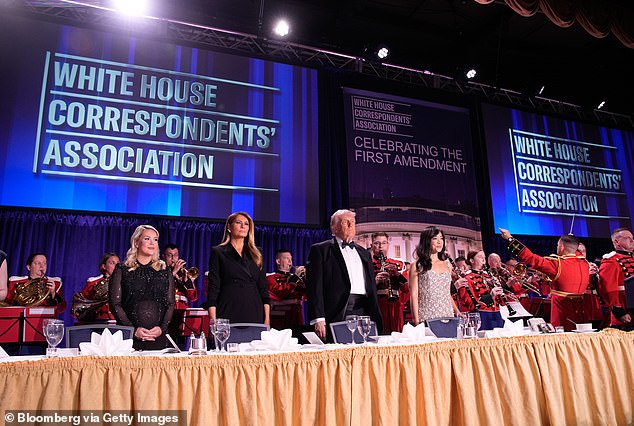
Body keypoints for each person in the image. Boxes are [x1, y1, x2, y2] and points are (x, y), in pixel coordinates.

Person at [305, 209, 383, 341]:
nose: (350, 225)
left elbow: (370, 286)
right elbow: (314, 287)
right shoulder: (321, 250)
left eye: (353, 222)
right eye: (345, 222)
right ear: (333, 228)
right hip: (337, 310)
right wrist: (318, 318)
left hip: (364, 311)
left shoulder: (364, 253)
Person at [500, 229, 590, 331]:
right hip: (582, 318)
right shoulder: (584, 263)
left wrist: (510, 239)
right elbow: (574, 250)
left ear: (561, 247)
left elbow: (531, 258)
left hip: (563, 319)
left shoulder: (557, 264)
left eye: (557, 245)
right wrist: (571, 240)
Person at [109, 225, 175, 350]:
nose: (152, 243)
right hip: (129, 340)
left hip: (157, 339)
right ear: (136, 242)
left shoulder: (164, 270)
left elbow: (170, 303)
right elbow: (115, 304)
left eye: (155, 240)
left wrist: (162, 329)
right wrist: (132, 330)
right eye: (147, 239)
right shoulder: (122, 270)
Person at [207, 212, 271, 324]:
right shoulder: (218, 252)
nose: (243, 226)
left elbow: (263, 288)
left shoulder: (257, 253)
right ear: (229, 226)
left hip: (254, 310)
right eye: (238, 222)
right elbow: (214, 287)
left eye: (246, 224)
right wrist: (213, 319)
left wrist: (267, 319)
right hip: (228, 309)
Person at [408, 226, 459, 326]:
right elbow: (414, 295)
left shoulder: (448, 265)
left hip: (447, 314)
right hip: (427, 316)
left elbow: (446, 293)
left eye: (441, 238)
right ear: (427, 241)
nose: (439, 242)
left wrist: (457, 311)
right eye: (435, 238)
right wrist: (416, 321)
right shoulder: (417, 265)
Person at [455, 250, 505, 330]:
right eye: (480, 257)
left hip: (496, 315)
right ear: (472, 260)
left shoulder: (489, 276)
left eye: (484, 257)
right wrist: (490, 295)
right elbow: (471, 305)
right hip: (481, 316)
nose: (483, 260)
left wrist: (501, 293)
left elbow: (501, 303)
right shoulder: (467, 278)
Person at [371, 232, 408, 333]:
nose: (380, 246)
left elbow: (407, 289)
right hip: (377, 305)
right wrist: (375, 282)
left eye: (383, 243)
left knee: (397, 337)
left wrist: (397, 274)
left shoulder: (398, 264)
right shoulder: (367, 264)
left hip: (395, 306)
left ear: (388, 245)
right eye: (377, 243)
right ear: (372, 245)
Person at [598, 228, 634, 330]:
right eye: (627, 238)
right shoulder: (611, 260)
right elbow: (607, 288)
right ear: (616, 242)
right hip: (626, 311)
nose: (632, 241)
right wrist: (618, 311)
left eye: (632, 238)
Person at [71, 252, 120, 322]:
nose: (116, 266)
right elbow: (82, 304)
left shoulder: (124, 282)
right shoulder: (93, 283)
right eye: (112, 263)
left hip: (119, 321)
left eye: (118, 263)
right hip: (99, 321)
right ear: (104, 266)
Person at [266, 249, 306, 328]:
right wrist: (295, 277)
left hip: (296, 318)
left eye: (291, 259)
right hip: (280, 319)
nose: (290, 262)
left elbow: (306, 295)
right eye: (287, 258)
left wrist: (306, 279)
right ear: (278, 261)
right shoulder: (270, 277)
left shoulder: (295, 277)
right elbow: (279, 293)